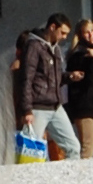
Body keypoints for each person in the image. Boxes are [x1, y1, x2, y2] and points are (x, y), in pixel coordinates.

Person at [15, 13, 76, 161]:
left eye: (67, 34)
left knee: (74, 148)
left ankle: (69, 180)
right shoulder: (34, 46)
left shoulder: (55, 49)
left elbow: (54, 78)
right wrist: (27, 110)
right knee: (32, 153)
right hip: (37, 108)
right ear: (52, 27)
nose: (64, 37)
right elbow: (26, 79)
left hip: (55, 106)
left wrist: (69, 76)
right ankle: (29, 182)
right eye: (62, 33)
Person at [63, 17, 93, 159]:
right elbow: (90, 81)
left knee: (87, 147)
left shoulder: (92, 52)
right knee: (87, 150)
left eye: (92, 30)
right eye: (87, 32)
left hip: (89, 107)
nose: (91, 35)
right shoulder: (81, 56)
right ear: (80, 35)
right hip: (86, 109)